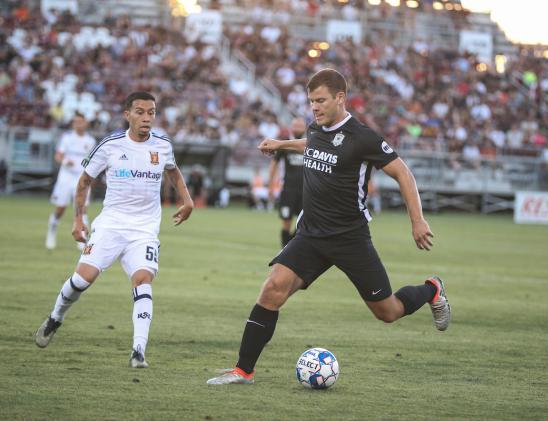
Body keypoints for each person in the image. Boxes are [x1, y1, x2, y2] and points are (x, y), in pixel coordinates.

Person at [207, 68, 451, 386]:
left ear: (340, 98)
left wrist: (417, 220)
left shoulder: (363, 138)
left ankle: (432, 289)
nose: (315, 107)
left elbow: (403, 173)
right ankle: (243, 371)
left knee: (388, 312)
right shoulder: (316, 128)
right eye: (311, 101)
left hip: (350, 238)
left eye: (320, 100)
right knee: (271, 290)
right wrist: (281, 144)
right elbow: (311, 144)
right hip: (310, 235)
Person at [35, 92, 194, 368]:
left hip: (144, 229)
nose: (147, 118)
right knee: (82, 280)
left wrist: (188, 200)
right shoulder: (110, 144)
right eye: (141, 112)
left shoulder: (163, 145)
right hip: (110, 225)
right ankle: (55, 317)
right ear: (127, 115)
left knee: (143, 280)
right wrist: (77, 220)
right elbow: (84, 181)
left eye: (152, 112)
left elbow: (173, 171)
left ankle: (138, 350)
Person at [46, 112, 96, 250]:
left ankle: (82, 239)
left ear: (85, 123)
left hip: (82, 178)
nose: (78, 124)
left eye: (81, 121)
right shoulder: (67, 138)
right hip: (66, 177)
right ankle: (52, 229)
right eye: (75, 122)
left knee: (82, 208)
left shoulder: (90, 141)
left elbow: (93, 161)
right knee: (60, 208)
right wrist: (65, 161)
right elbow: (58, 155)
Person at [268, 117, 306, 246]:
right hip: (288, 190)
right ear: (291, 127)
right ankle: (285, 250)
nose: (298, 128)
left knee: (304, 222)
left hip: (306, 191)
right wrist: (270, 186)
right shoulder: (285, 145)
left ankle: (291, 245)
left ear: (305, 128)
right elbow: (273, 165)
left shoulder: (310, 144)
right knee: (286, 221)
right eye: (296, 125)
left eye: (300, 126)